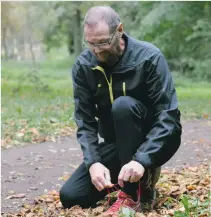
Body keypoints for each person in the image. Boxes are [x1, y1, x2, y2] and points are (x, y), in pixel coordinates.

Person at [60, 5, 182, 216]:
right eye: (90, 43)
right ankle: (129, 179)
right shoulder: (83, 66)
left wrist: (142, 159)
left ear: (120, 30)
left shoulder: (149, 57)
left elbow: (168, 117)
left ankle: (135, 193)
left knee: (123, 105)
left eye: (103, 42)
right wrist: (94, 163)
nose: (97, 50)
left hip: (155, 140)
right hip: (117, 144)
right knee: (71, 196)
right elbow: (85, 121)